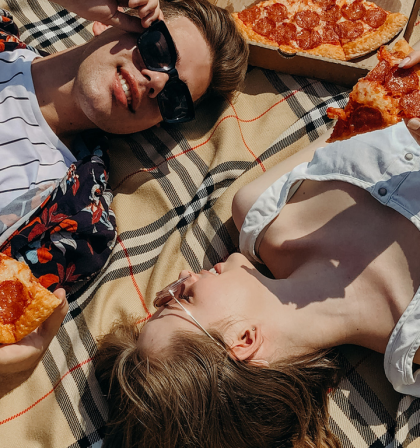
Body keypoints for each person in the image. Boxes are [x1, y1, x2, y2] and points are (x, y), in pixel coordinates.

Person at [95, 16, 420, 448]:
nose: (181, 279)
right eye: (180, 300)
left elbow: (391, 84)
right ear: (245, 340)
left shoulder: (260, 209)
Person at [0, 0, 248, 396]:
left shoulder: (77, 219)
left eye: (175, 100)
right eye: (159, 50)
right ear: (109, 24)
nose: (158, 83)